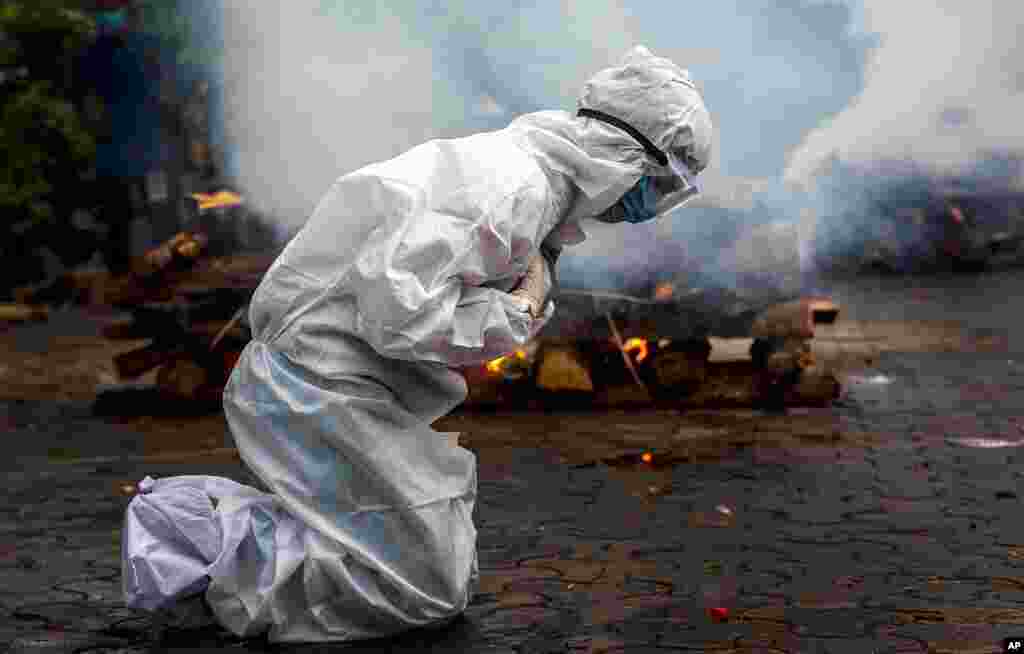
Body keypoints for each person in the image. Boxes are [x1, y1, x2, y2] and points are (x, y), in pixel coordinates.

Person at [121, 45, 713, 642]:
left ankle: (220, 548)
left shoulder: (532, 186)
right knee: (417, 587)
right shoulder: (513, 189)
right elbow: (399, 315)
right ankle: (186, 531)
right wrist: (518, 310)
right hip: (318, 383)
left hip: (345, 383)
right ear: (628, 157)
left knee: (430, 576)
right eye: (659, 184)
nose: (651, 204)